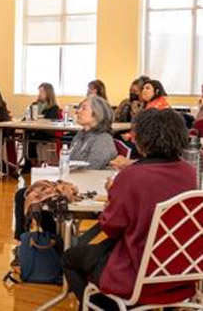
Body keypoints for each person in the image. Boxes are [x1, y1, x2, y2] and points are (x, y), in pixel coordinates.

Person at [63, 109, 197, 310]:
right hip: (182, 271)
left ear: (142, 139)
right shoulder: (190, 173)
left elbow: (111, 227)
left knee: (70, 257)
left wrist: (113, 194)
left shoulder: (132, 177)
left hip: (136, 272)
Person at [14, 95, 117, 240]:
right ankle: (30, 240)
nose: (78, 111)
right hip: (73, 184)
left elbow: (92, 168)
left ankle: (56, 242)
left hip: (89, 192)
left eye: (83, 108)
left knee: (38, 199)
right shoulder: (80, 135)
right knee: (25, 194)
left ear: (97, 114)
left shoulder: (103, 139)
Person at [22, 83, 62, 171]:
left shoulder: (53, 108)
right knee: (27, 135)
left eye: (42, 91)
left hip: (46, 133)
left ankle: (32, 161)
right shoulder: (34, 104)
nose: (40, 93)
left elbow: (50, 122)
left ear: (48, 93)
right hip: (34, 131)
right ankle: (29, 160)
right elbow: (26, 118)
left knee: (31, 136)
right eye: (39, 91)